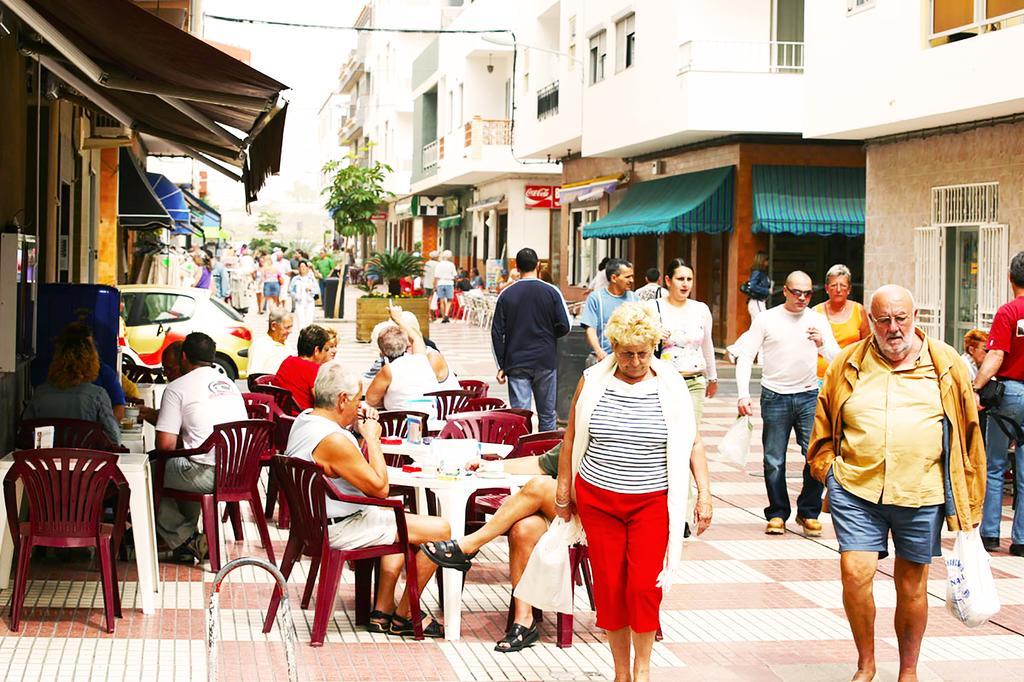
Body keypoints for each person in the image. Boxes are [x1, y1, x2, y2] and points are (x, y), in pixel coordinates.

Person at [809, 284, 984, 682]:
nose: (893, 328)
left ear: (915, 315)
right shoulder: (847, 363)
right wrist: (828, 471)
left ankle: (908, 670)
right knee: (855, 572)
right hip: (857, 488)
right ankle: (865, 663)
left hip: (922, 490)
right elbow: (822, 422)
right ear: (870, 320)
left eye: (900, 318)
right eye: (883, 319)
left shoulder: (947, 364)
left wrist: (971, 504)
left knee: (911, 585)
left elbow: (970, 435)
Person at [555, 303, 712, 682]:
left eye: (643, 353)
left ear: (654, 346)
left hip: (652, 501)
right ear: (613, 347)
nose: (636, 361)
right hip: (599, 498)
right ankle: (620, 673)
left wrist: (704, 494)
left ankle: (642, 671)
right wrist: (564, 491)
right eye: (627, 354)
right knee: (610, 586)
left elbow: (693, 443)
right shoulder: (592, 379)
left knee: (643, 586)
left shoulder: (671, 383)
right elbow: (572, 436)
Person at [287, 362, 450, 636]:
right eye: (358, 399)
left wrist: (354, 426)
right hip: (340, 527)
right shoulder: (333, 440)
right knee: (441, 529)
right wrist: (372, 438)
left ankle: (382, 611)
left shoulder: (305, 420)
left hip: (316, 522)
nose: (361, 404)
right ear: (342, 400)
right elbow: (379, 489)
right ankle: (405, 613)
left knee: (399, 523)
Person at [421, 443, 564, 652]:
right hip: (563, 510)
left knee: (537, 486)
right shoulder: (584, 423)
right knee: (523, 529)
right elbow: (542, 463)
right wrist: (494, 466)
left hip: (597, 514)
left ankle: (468, 545)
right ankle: (524, 621)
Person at [732, 271, 839, 536]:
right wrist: (743, 394)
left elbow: (837, 357)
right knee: (774, 459)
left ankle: (808, 511)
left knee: (814, 456)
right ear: (785, 292)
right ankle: (778, 512)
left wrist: (821, 343)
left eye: (807, 294)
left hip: (807, 395)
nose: (802, 298)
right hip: (774, 395)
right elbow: (746, 356)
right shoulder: (766, 319)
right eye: (797, 293)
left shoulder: (817, 320)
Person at [155, 332, 247, 564]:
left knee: (144, 473)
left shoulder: (177, 387)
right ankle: (185, 543)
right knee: (183, 462)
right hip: (240, 472)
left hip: (207, 475)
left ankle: (187, 538)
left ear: (184, 357)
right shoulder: (230, 385)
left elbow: (165, 446)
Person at [975, 251, 1024, 555]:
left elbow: (995, 355)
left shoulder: (1008, 312)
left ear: (1010, 278)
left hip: (1008, 395)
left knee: (994, 466)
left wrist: (976, 386)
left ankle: (990, 535)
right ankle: (1021, 541)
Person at [492, 248, 572, 432]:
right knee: (547, 414)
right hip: (545, 360)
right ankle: (545, 452)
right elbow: (565, 325)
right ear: (538, 265)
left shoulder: (506, 294)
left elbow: (497, 333)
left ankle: (523, 453)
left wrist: (501, 365)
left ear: (516, 266)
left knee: (520, 415)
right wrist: (549, 337)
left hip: (516, 362)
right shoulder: (552, 291)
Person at [23, 322, 121, 445]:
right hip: (87, 463)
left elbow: (25, 435)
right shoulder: (98, 396)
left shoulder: (40, 394)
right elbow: (114, 438)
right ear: (91, 362)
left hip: (47, 462)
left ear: (57, 360)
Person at [645, 258, 717, 424]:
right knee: (666, 432)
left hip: (695, 380)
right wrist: (653, 334)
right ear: (668, 281)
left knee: (691, 434)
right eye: (680, 279)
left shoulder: (701, 309)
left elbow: (707, 345)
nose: (685, 284)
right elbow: (637, 342)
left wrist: (712, 378)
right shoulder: (652, 307)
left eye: (689, 279)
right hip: (664, 381)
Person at [365, 305, 456, 416]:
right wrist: (398, 318)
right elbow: (417, 338)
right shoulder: (421, 359)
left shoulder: (389, 370)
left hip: (403, 425)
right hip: (431, 419)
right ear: (406, 344)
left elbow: (370, 400)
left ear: (382, 352)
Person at [813, 264, 870, 379]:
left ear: (849, 289)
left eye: (843, 285)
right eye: (833, 285)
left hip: (849, 374)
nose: (838, 290)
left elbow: (867, 345)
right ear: (826, 288)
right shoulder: (816, 312)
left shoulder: (858, 310)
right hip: (820, 377)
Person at [581, 258, 637, 365]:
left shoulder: (634, 298)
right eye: (627, 277)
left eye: (632, 276)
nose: (631, 280)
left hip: (628, 360)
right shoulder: (596, 298)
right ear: (614, 278)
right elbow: (590, 328)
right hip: (603, 357)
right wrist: (599, 351)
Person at [275, 325, 337, 411]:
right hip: (302, 418)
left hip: (281, 415)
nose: (326, 354)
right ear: (316, 350)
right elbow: (325, 403)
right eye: (325, 350)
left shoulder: (287, 361)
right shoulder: (314, 370)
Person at [140, 341, 184, 425]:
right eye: (164, 369)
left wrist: (147, 414)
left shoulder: (178, 389)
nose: (165, 374)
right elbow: (169, 415)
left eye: (169, 369)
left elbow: (170, 425)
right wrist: (146, 412)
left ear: (183, 363)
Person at [247, 309, 294, 376]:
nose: (290, 331)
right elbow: (255, 378)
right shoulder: (260, 346)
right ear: (273, 326)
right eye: (287, 327)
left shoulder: (288, 346)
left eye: (291, 327)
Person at [741, 250, 772, 321]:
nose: (768, 262)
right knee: (762, 322)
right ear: (762, 261)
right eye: (766, 260)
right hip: (757, 301)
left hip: (759, 302)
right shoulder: (757, 272)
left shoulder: (761, 273)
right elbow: (752, 286)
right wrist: (766, 291)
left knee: (757, 326)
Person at [289, 261, 318, 330]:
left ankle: (308, 337)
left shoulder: (311, 279)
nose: (303, 268)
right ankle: (302, 336)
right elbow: (290, 290)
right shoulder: (295, 279)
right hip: (299, 302)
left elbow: (317, 290)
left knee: (309, 320)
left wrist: (311, 290)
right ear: (298, 268)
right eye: (301, 267)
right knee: (301, 320)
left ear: (307, 268)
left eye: (304, 266)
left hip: (309, 301)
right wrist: (296, 296)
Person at [433, 250, 458, 323]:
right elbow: (455, 275)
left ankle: (443, 317)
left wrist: (435, 286)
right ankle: (447, 314)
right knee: (449, 300)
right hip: (449, 283)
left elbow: (436, 276)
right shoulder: (451, 265)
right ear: (449, 257)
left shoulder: (439, 264)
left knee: (441, 300)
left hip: (440, 283)